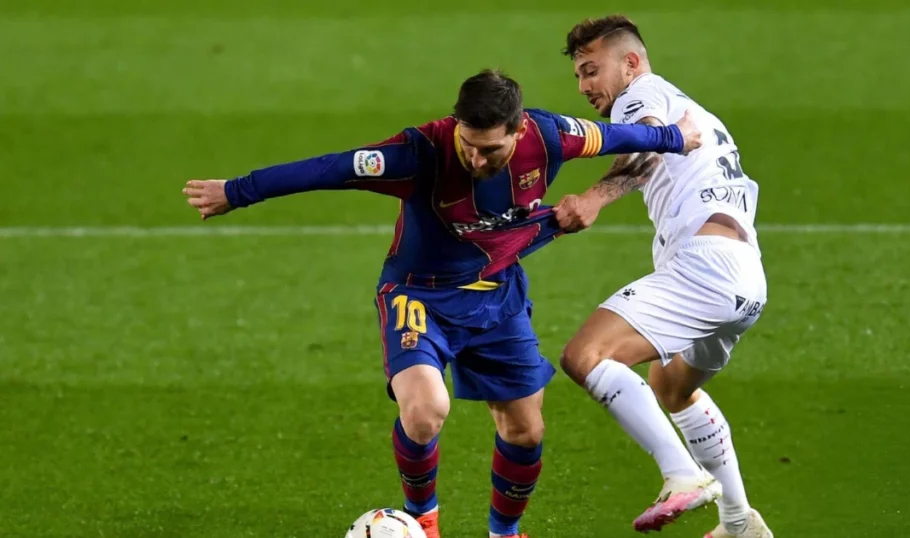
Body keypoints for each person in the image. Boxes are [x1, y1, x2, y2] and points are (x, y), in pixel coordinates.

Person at [182, 69, 703, 538]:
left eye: (490, 150)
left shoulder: (550, 136)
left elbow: (618, 136)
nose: (476, 159)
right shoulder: (420, 154)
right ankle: (421, 523)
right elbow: (330, 168)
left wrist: (676, 137)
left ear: (519, 131)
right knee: (427, 408)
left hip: (497, 293)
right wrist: (237, 190)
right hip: (418, 294)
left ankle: (505, 532)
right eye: (469, 145)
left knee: (526, 428)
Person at [554, 16, 774, 537]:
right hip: (745, 281)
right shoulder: (694, 108)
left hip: (706, 268)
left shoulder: (642, 92)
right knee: (671, 388)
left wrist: (592, 197)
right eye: (578, 76)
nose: (585, 86)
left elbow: (648, 145)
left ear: (630, 63)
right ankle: (739, 523)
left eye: (591, 70)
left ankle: (682, 475)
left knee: (586, 357)